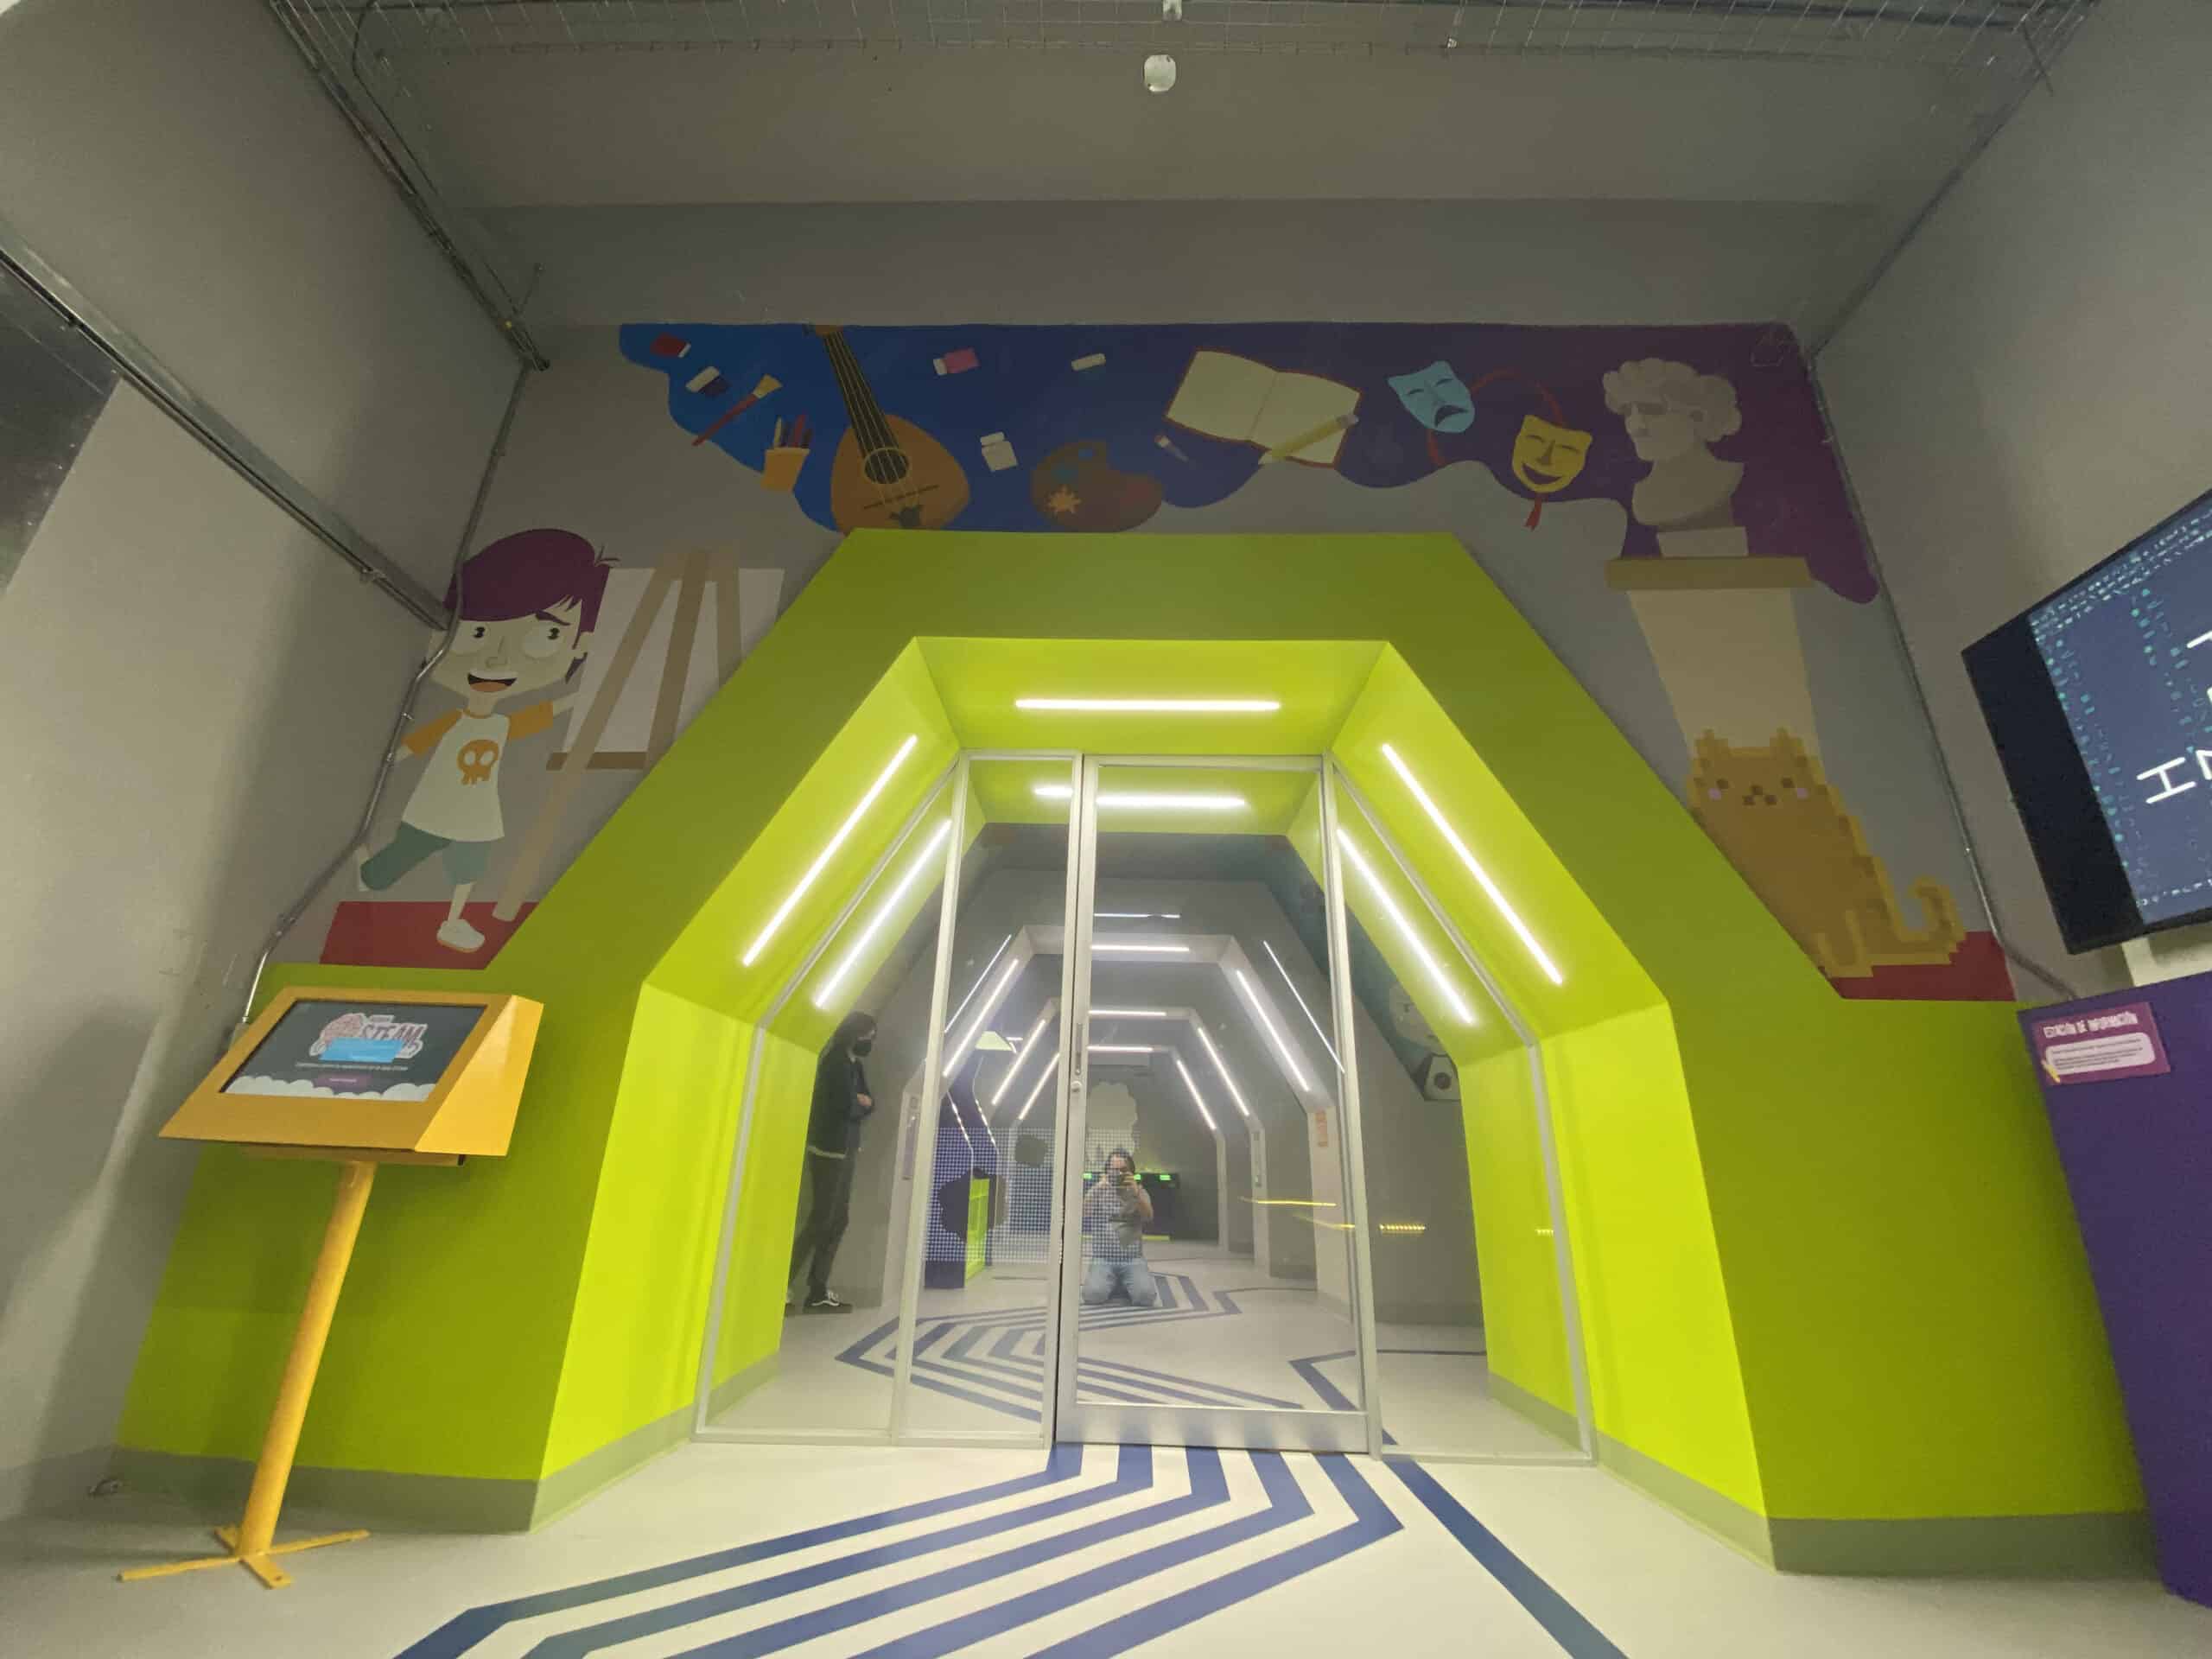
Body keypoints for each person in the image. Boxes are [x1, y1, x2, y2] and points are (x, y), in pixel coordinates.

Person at [790, 1013, 876, 1313]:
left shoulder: (855, 1066)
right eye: (868, 1036)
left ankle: (818, 1289)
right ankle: (783, 1283)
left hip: (847, 1149)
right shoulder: (835, 1063)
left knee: (838, 1219)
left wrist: (862, 1103)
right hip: (829, 1150)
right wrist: (860, 1103)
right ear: (854, 1034)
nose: (870, 1042)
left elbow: (869, 1102)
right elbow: (846, 1105)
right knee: (821, 1220)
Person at [1080, 1147, 1158, 1307]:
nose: (1118, 1174)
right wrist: (1098, 1188)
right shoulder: (1098, 1191)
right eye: (1113, 1170)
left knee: (1145, 1297)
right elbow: (1083, 1213)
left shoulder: (1139, 1191)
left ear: (1131, 1173)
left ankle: (1120, 1281)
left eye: (1123, 1170)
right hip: (1103, 1258)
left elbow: (1148, 1216)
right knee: (1092, 1296)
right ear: (1107, 1171)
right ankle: (1117, 1282)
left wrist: (1136, 1194)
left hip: (1132, 1258)